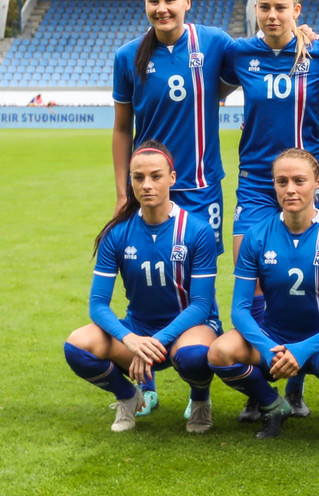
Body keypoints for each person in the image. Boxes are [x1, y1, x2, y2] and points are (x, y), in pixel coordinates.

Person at [222, 0, 319, 421]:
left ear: (297, 10)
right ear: (255, 10)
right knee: (253, 277)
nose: (272, 15)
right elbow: (208, 83)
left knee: (310, 277)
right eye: (264, 7)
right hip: (257, 181)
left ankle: (296, 384)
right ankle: (261, 384)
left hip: (307, 180)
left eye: (280, 7)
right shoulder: (238, 53)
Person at [112, 0, 233, 414]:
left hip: (200, 189)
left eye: (169, 0)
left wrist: (302, 33)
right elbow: (122, 128)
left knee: (199, 285)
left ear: (187, 2)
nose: (161, 8)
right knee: (145, 280)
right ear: (145, 6)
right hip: (148, 187)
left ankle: (199, 388)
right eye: (153, 1)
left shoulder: (214, 42)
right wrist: (122, 190)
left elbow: (262, 55)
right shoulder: (128, 56)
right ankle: (146, 383)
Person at [207, 148, 319, 440]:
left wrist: (302, 350)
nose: (290, 189)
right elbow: (240, 309)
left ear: (317, 182)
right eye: (282, 182)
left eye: (299, 181)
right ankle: (272, 404)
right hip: (274, 340)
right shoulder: (257, 235)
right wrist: (269, 349)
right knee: (220, 351)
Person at [63, 141, 220, 433]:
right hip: (138, 329)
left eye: (155, 176)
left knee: (194, 356)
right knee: (77, 346)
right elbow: (98, 304)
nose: (147, 185)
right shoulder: (117, 233)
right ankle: (128, 396)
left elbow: (201, 305)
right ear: (131, 181)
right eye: (138, 177)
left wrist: (155, 342)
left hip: (188, 329)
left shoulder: (197, 230)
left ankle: (200, 398)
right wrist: (130, 339)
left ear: (172, 178)